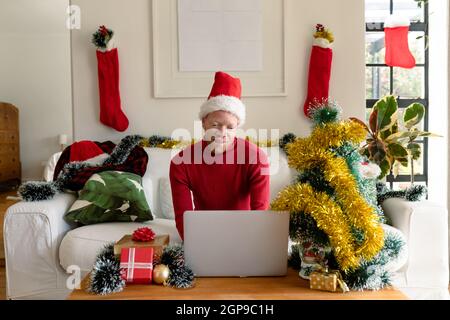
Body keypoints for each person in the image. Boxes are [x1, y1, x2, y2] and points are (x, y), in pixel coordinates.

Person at [169, 71, 271, 240]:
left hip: (245, 235)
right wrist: (198, 245)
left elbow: (260, 214)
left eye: (230, 127)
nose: (222, 133)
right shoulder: (181, 163)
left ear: (237, 125)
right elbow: (184, 218)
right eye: (215, 124)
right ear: (203, 122)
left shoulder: (257, 158)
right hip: (203, 234)